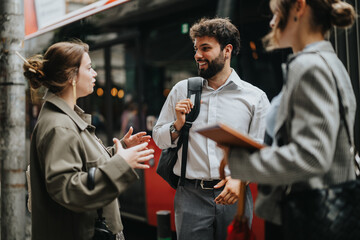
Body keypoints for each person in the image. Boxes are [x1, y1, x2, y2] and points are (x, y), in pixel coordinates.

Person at [225, 0, 357, 239]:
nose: (272, 22)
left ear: (299, 7)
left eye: (275, 13)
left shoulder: (308, 66)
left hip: (309, 217)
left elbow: (312, 157)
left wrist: (240, 161)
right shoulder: (330, 62)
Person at [22, 41, 154, 240]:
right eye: (89, 68)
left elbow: (83, 164)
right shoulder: (60, 125)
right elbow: (69, 189)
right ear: (71, 76)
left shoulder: (65, 118)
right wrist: (121, 163)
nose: (95, 74)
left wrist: (120, 149)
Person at [153, 18, 270, 240]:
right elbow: (159, 139)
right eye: (196, 49)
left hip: (235, 194)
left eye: (205, 48)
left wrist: (240, 179)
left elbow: (260, 150)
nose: (198, 55)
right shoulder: (181, 90)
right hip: (190, 195)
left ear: (227, 51)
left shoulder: (255, 98)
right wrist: (177, 125)